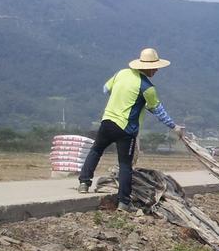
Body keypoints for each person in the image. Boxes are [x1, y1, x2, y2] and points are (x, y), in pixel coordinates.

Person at [78, 48, 183, 212]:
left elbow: (105, 89)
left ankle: (84, 183)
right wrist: (174, 127)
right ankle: (123, 202)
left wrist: (121, 95)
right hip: (126, 129)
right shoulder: (147, 87)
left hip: (107, 121)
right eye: (154, 67)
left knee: (96, 150)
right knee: (125, 165)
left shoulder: (122, 74)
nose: (156, 70)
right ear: (146, 67)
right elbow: (158, 110)